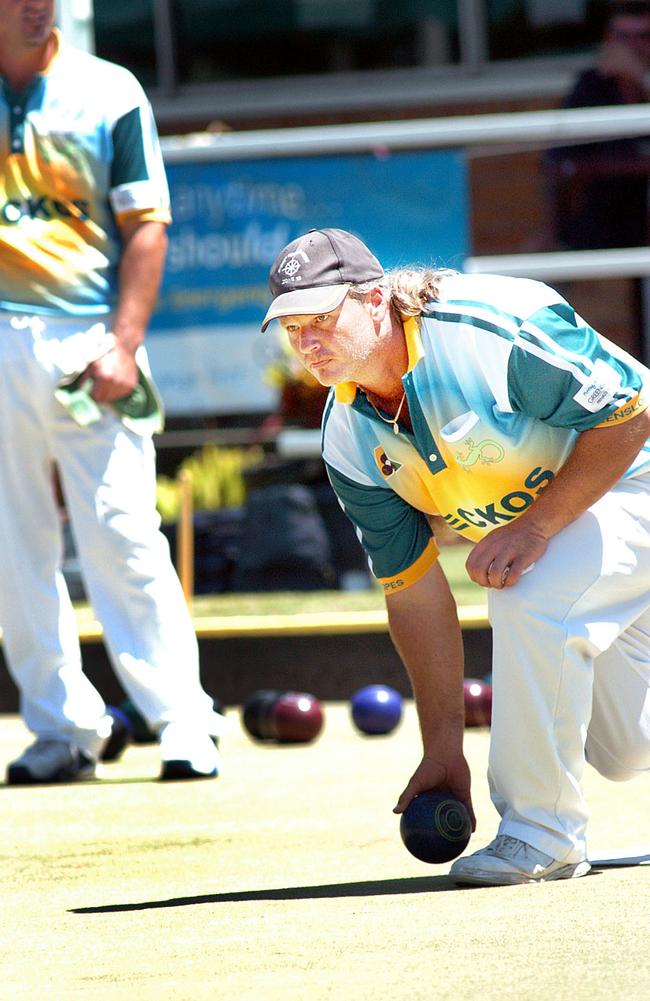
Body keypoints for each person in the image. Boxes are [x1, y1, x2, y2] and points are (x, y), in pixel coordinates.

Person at [261, 227, 650, 885]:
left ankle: (541, 835)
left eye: (324, 317)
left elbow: (631, 412)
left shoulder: (490, 330)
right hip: (580, 540)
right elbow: (412, 591)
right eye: (293, 328)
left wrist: (536, 526)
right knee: (624, 747)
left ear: (376, 300)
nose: (309, 341)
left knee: (529, 587)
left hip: (633, 479)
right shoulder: (349, 438)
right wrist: (442, 747)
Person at [0, 0, 224, 784]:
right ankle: (63, 728)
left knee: (122, 529)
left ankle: (184, 720)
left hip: (87, 336)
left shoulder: (112, 90)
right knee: (7, 548)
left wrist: (125, 343)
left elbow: (148, 227)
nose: (39, 7)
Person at [542, 1, 650, 250]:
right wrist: (547, 233)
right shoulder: (591, 86)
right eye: (624, 37)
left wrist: (641, 77)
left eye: (643, 37)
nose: (634, 47)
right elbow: (553, 163)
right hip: (603, 222)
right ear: (608, 40)